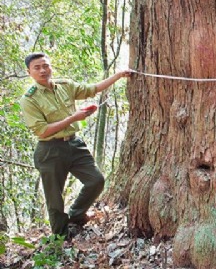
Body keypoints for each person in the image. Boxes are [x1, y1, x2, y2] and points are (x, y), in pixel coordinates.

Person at [19, 52, 132, 239]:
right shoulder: (29, 99)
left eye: (45, 65)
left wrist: (119, 75)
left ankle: (76, 215)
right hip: (50, 151)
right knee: (54, 199)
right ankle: (60, 237)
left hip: (74, 143)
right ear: (29, 72)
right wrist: (74, 117)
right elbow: (42, 131)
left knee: (96, 181)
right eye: (37, 68)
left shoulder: (64, 86)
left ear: (51, 66)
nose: (43, 70)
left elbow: (92, 89)